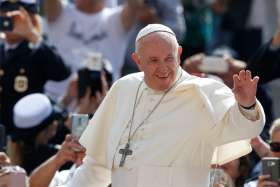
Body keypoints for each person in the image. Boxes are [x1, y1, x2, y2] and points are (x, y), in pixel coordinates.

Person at [67, 24, 265, 187]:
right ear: (137, 60)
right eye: (153, 60)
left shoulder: (206, 92)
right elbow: (97, 165)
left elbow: (245, 128)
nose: (163, 68)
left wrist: (247, 104)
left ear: (179, 53)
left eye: (169, 58)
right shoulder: (123, 88)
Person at [0, 0, 71, 136]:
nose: (7, 19)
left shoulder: (37, 50)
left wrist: (31, 34)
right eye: (4, 14)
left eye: (15, 16)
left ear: (30, 19)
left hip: (24, 135)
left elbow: (61, 73)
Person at [12, 93, 66, 174]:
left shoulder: (12, 162)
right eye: (54, 120)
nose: (57, 123)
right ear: (46, 129)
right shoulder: (56, 156)